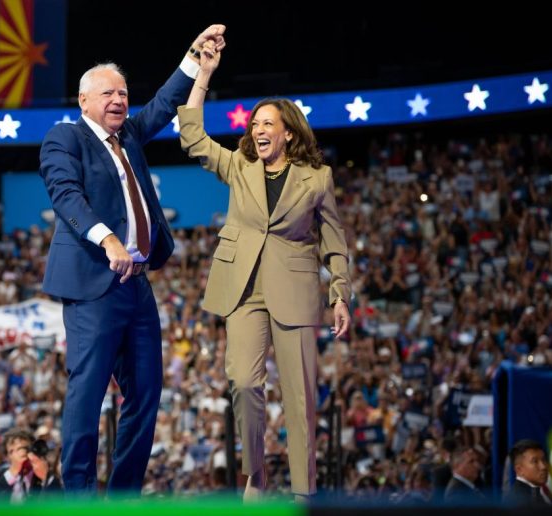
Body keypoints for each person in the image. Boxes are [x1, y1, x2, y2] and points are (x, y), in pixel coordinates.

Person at [39, 24, 226, 495]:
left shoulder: (131, 138)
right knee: (88, 390)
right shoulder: (66, 139)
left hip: (137, 286)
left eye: (123, 92)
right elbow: (66, 195)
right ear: (84, 101)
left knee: (145, 395)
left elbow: (164, 103)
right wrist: (107, 240)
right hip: (94, 283)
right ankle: (78, 495)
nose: (118, 100)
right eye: (107, 93)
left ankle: (122, 496)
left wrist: (194, 56)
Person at [177, 40, 351, 501]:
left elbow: (334, 241)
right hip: (243, 291)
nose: (258, 130)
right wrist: (203, 75)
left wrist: (340, 293)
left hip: (294, 292)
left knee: (299, 400)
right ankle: (256, 473)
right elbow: (192, 136)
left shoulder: (318, 179)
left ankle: (304, 492)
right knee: (245, 384)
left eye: (267, 124)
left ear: (289, 133)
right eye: (255, 124)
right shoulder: (240, 167)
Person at [0, 429, 61, 501]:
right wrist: (12, 473)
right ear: (7, 457)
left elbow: (59, 504)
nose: (19, 454)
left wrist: (45, 477)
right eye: (12, 451)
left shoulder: (45, 473)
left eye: (24, 448)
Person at [504, 439, 552, 506]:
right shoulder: (518, 503)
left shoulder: (539, 493)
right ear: (519, 470)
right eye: (535, 461)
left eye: (543, 460)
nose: (543, 467)